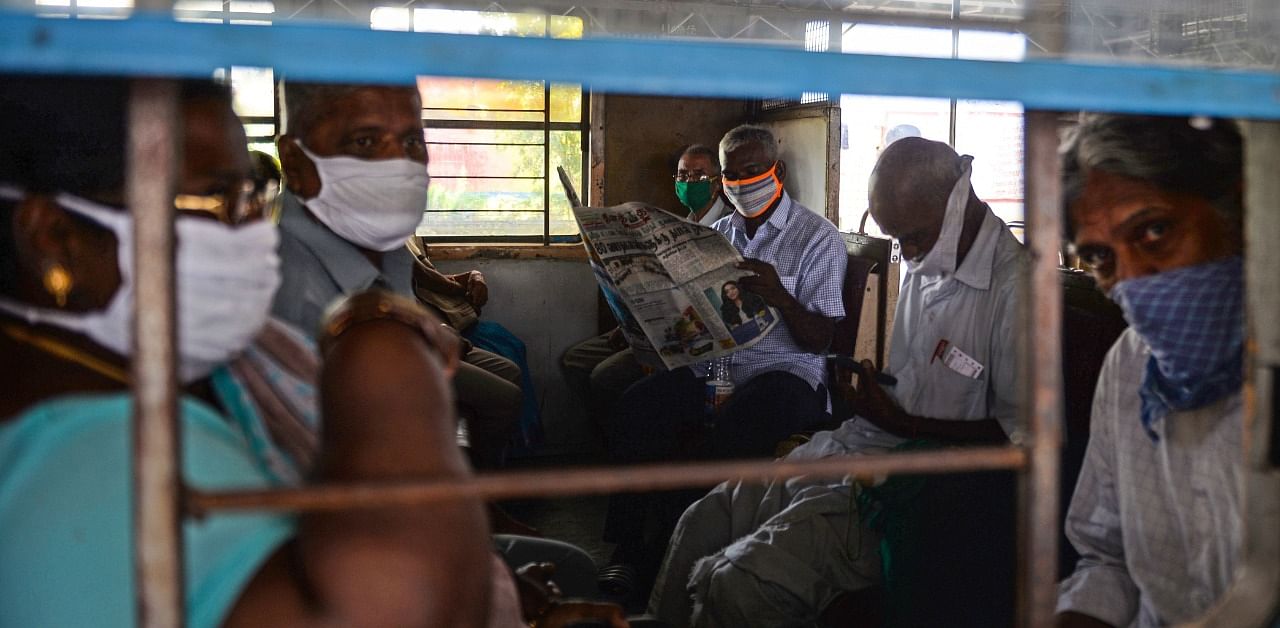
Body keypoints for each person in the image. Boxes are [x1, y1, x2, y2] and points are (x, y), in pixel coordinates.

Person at [0, 76, 494, 628]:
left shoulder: (164, 376)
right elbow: (401, 609)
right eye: (215, 200)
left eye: (250, 198)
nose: (255, 234)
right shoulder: (88, 457)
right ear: (54, 237)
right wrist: (381, 351)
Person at [649, 136, 1025, 627]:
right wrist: (877, 398)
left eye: (914, 236)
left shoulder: (1015, 291)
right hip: (867, 442)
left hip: (919, 486)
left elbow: (1025, 438)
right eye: (897, 240)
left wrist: (904, 420)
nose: (907, 253)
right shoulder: (929, 253)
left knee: (735, 581)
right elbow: (909, 382)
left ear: (956, 202)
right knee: (702, 521)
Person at [600, 124, 848, 599]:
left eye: (752, 171)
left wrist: (781, 297)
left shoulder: (818, 239)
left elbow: (822, 340)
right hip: (717, 366)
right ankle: (627, 551)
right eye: (732, 175)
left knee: (734, 426)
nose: (741, 183)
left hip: (785, 374)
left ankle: (671, 559)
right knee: (635, 408)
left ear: (776, 170)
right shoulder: (716, 232)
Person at [1055, 114, 1250, 627]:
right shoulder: (1128, 363)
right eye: (1101, 257)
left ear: (1240, 210)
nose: (1132, 281)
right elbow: (1107, 556)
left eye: (1154, 231)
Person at [270, 80, 523, 470]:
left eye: (411, 143)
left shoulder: (376, 237)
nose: (398, 164)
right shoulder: (288, 296)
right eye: (365, 142)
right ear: (294, 160)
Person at [675, 144, 729, 226]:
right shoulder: (685, 224)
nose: (689, 181)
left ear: (717, 182)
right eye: (682, 175)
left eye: (699, 175)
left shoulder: (730, 227)